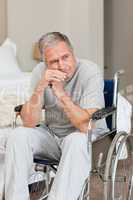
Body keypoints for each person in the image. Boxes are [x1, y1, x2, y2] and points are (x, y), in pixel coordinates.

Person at [0, 32, 107, 200]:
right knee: (18, 135)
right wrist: (41, 86)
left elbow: (85, 126)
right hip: (53, 137)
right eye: (54, 62)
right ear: (44, 63)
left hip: (87, 140)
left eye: (66, 57)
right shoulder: (39, 72)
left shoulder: (89, 71)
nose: (62, 65)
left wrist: (60, 93)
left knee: (76, 139)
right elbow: (29, 122)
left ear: (73, 53)